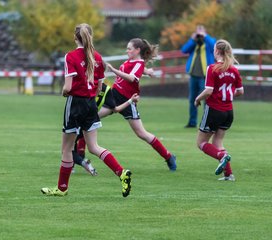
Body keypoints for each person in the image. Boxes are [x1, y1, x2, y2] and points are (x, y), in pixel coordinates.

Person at [41, 23, 132, 197]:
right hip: (90, 104)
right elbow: (99, 87)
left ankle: (62, 188)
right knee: (94, 146)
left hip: (75, 103)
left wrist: (63, 92)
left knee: (66, 149)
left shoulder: (71, 56)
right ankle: (121, 173)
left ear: (75, 37)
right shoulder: (97, 57)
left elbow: (67, 87)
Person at [102, 38, 177, 171]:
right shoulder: (133, 62)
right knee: (92, 118)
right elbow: (136, 69)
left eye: (129, 48)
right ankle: (79, 156)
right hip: (115, 96)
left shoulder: (139, 63)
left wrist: (114, 70)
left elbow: (132, 78)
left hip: (128, 100)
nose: (127, 50)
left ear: (137, 50)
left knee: (141, 133)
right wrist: (147, 71)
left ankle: (168, 157)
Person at [194, 39, 244, 181]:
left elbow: (209, 90)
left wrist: (197, 99)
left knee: (201, 143)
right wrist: (227, 95)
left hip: (214, 110)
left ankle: (222, 156)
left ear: (216, 51)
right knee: (218, 143)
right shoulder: (234, 70)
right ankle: (229, 175)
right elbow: (240, 91)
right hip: (228, 112)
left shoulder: (213, 68)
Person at [72, 83, 140, 176]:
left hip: (77, 119)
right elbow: (115, 109)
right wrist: (130, 100)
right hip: (91, 120)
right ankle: (120, 172)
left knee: (67, 148)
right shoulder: (106, 89)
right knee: (93, 148)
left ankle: (81, 164)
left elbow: (68, 91)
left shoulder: (83, 82)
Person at [181, 25, 216, 128]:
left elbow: (214, 46)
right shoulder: (194, 42)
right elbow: (184, 50)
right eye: (198, 31)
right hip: (194, 75)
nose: (199, 33)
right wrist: (193, 39)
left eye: (201, 31)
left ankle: (207, 122)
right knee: (192, 99)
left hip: (206, 76)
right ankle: (192, 122)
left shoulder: (209, 41)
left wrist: (205, 36)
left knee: (206, 100)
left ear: (205, 31)